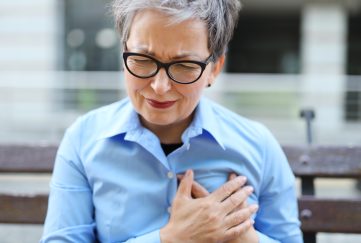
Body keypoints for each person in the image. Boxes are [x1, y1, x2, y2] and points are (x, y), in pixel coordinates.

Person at [41, 0, 303, 242]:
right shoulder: (83, 139)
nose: (160, 86)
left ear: (214, 68)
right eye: (143, 60)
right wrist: (172, 237)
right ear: (124, 53)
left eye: (184, 65)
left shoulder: (258, 145)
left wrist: (246, 238)